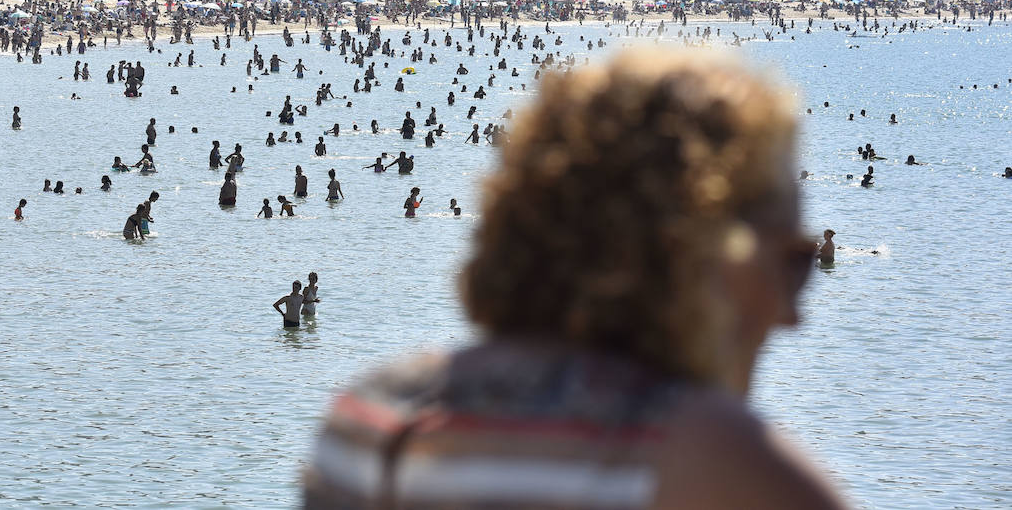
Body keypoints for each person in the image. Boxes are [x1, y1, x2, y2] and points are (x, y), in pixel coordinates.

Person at [303, 49, 845, 510]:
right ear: (696, 249)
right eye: (792, 262)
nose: (792, 315)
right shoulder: (731, 467)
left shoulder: (371, 421)